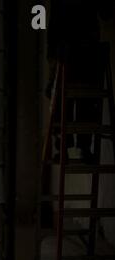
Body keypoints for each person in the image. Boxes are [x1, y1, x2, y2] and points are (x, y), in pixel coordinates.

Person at [46, 0, 113, 163]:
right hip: (81, 50)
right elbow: (106, 13)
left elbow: (105, 13)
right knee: (81, 100)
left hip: (74, 51)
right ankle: (77, 147)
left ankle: (67, 148)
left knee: (70, 101)